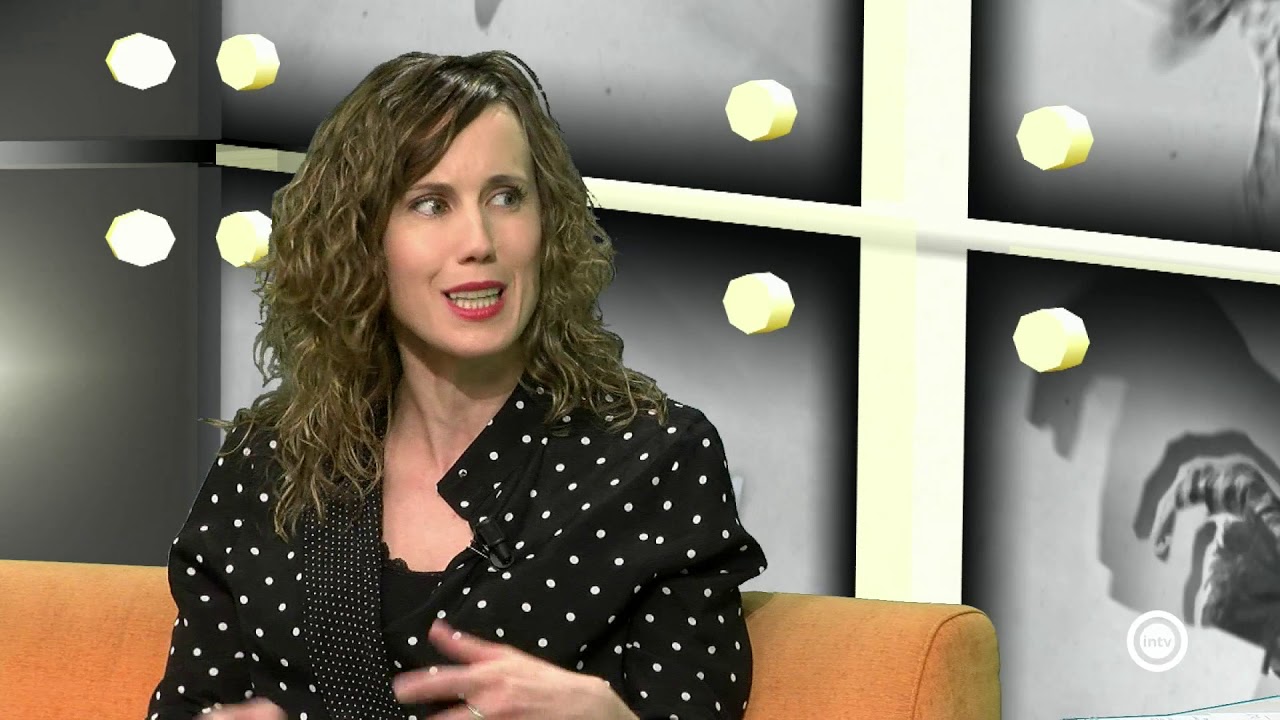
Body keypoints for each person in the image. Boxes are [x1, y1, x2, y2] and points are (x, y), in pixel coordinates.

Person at [144, 50, 768, 720]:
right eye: (431, 204)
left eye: (507, 197)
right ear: (360, 242)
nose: (479, 241)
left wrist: (607, 718)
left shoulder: (656, 459)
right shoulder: (268, 463)